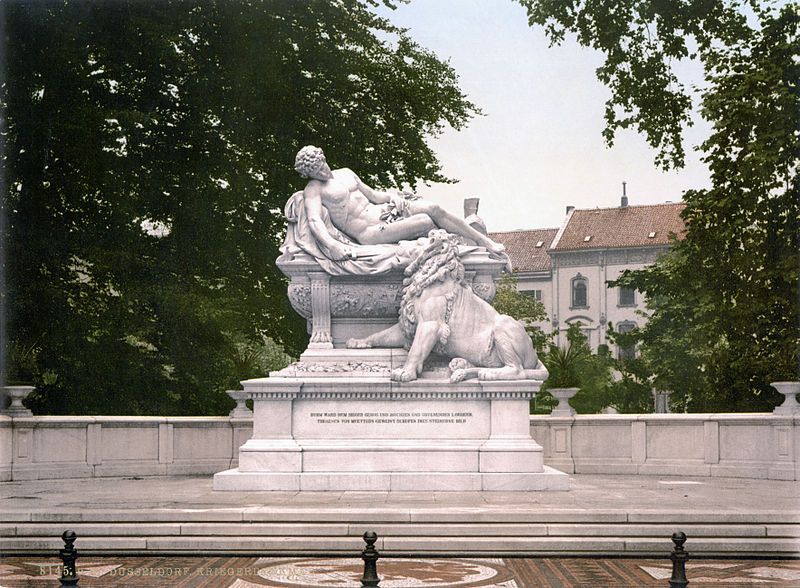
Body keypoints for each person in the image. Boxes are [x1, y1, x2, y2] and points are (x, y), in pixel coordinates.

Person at [294, 145, 507, 261]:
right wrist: (333, 246)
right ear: (309, 175)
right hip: (369, 232)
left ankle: (482, 240)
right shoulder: (313, 189)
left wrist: (392, 197)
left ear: (323, 158)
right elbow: (314, 221)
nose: (322, 173)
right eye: (316, 172)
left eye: (321, 166)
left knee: (433, 208)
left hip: (384, 212)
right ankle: (456, 244)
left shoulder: (346, 173)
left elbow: (374, 195)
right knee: (424, 221)